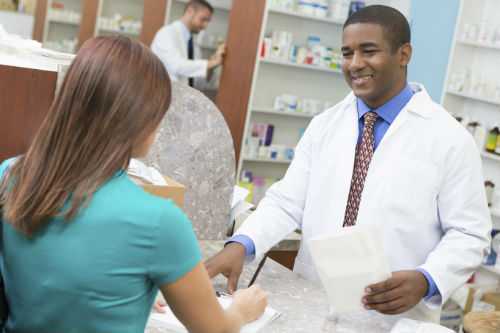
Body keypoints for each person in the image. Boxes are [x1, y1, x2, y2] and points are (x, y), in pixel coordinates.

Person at [206, 5, 491, 324]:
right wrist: (242, 244)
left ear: (404, 54)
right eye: (347, 52)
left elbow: (469, 233)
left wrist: (427, 279)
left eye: (369, 51)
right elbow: (287, 202)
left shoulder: (449, 138)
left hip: (392, 316)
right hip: (312, 300)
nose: (355, 64)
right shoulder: (324, 125)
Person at [0, 36, 266, 333]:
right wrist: (242, 310)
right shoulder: (158, 221)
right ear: (140, 119)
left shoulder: (11, 175)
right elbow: (215, 330)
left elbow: (50, 277)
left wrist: (121, 290)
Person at [151, 0, 225, 88]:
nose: (205, 26)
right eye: (203, 19)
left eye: (208, 21)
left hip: (183, 97)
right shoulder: (167, 33)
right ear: (190, 11)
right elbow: (177, 66)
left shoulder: (193, 45)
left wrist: (212, 64)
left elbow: (196, 80)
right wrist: (210, 63)